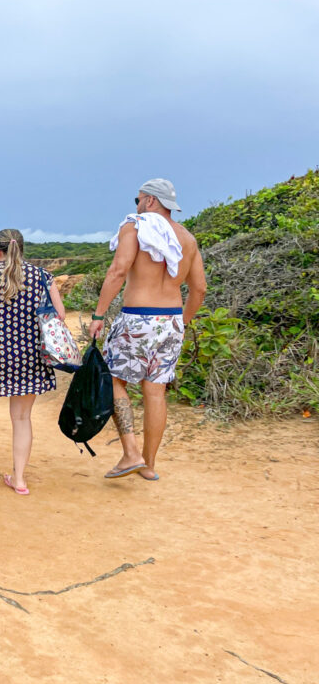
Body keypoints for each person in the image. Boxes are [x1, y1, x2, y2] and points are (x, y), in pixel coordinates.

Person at [88, 179, 206, 481]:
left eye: (138, 199)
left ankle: (131, 453)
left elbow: (118, 270)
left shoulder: (136, 227)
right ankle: (149, 465)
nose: (136, 205)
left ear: (151, 201)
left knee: (113, 380)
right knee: (155, 392)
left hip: (138, 317)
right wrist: (182, 321)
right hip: (171, 320)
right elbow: (199, 290)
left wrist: (99, 314)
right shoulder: (188, 239)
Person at [0, 229, 65, 495]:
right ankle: (19, 480)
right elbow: (59, 315)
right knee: (21, 418)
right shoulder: (43, 277)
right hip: (30, 358)